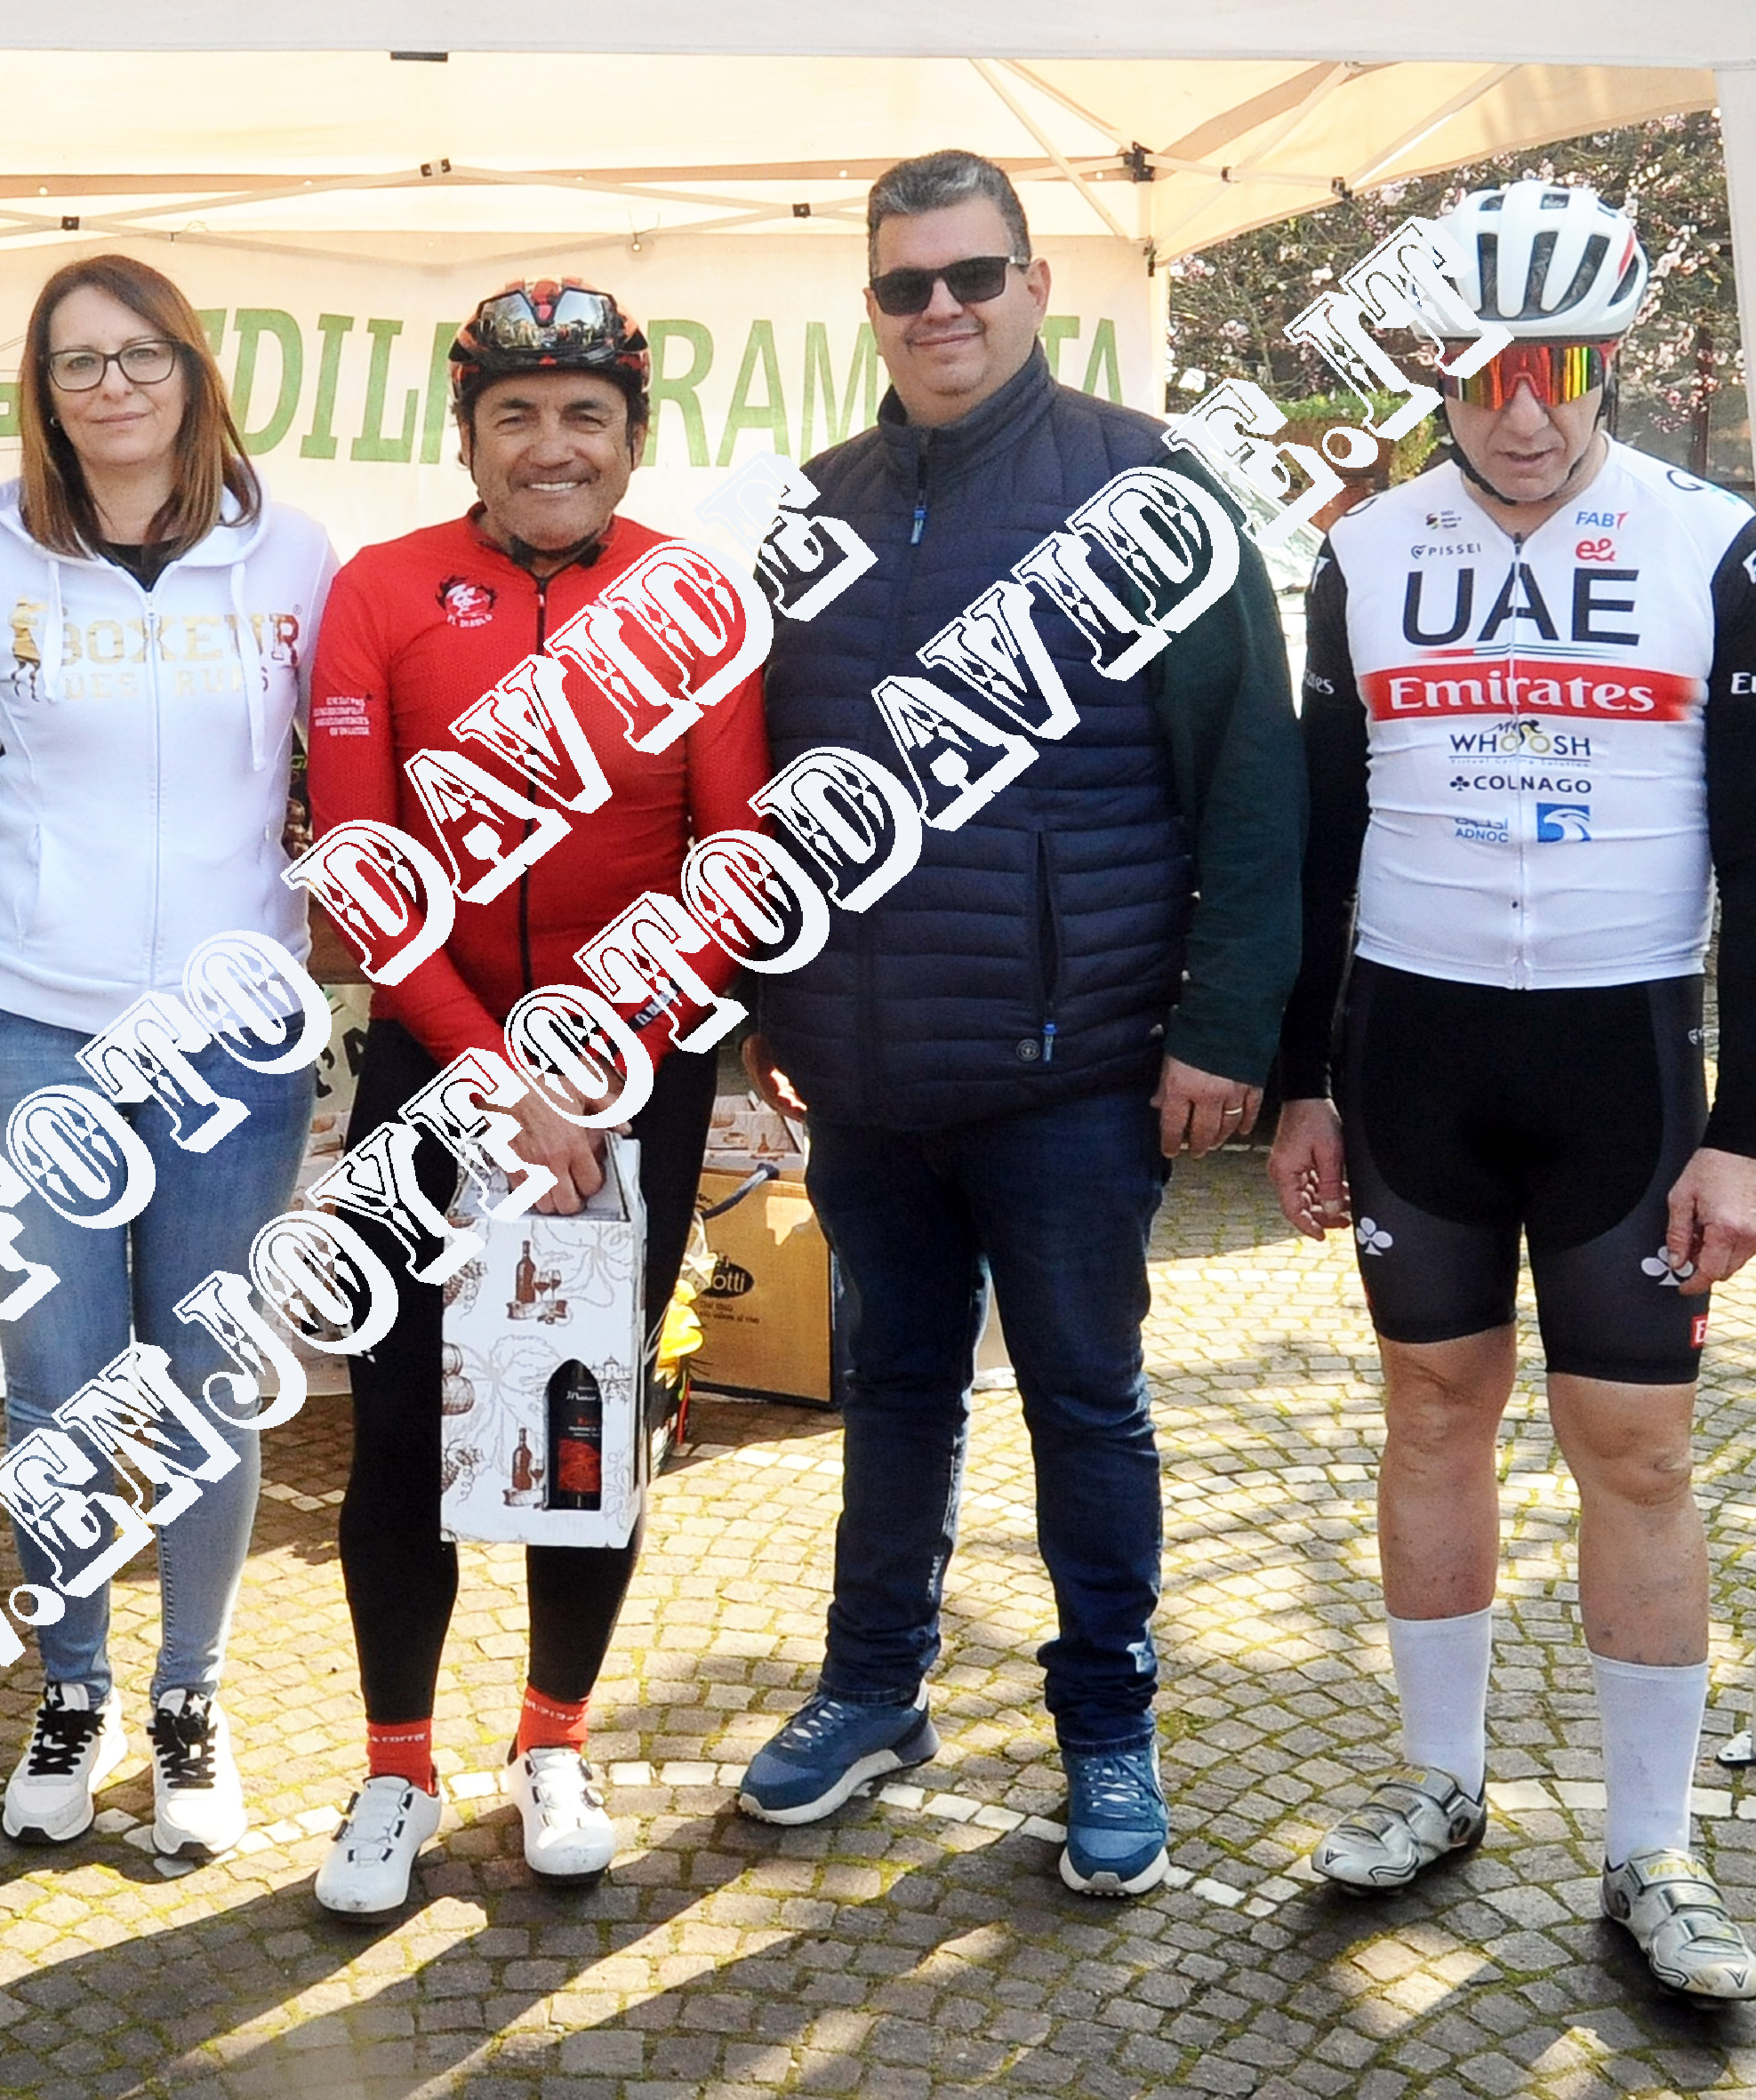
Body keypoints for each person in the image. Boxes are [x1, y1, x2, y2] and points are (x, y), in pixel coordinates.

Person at [734, 150, 1303, 1898]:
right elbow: (770, 781)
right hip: (869, 1068)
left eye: (972, 275)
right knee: (894, 1387)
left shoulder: (1151, 494)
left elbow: (1255, 785)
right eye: (906, 285)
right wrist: (771, 992)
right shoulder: (813, 512)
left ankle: (1107, 1729)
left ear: (1035, 285)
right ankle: (871, 1688)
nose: (942, 311)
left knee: (1083, 1400)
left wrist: (1225, 1028)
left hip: (1076, 1067)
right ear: (871, 309)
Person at [1264, 181, 1756, 2002]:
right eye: (1484, 368)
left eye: (1558, 368)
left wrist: (1740, 1136)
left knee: (1633, 1448)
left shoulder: (1712, 545)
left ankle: (1653, 1848)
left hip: (1619, 1061)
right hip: (1412, 1056)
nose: (1519, 409)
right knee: (1431, 1409)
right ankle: (1438, 1777)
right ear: (1436, 367)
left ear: (1611, 360)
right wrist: (1298, 1085)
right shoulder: (1361, 554)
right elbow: (1319, 839)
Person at [304, 278, 771, 1916]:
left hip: (631, 1070)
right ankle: (396, 1766)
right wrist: (498, 1081)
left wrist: (588, 1072)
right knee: (395, 1429)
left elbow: (732, 863)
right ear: (469, 437)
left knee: (582, 1424)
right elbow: (360, 863)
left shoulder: (693, 600)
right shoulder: (378, 589)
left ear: (633, 439)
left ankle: (553, 1741)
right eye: (517, 414)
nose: (552, 444)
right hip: (430, 1068)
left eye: (587, 414)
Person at [0, 254, 336, 1859]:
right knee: (60, 1387)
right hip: (27, 1029)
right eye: (77, 362)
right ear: (43, 393)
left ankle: (190, 1700)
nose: (113, 387)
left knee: (210, 1381)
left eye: (141, 354)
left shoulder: (293, 556)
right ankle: (74, 1690)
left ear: (193, 370)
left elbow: (353, 766)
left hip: (232, 1042)